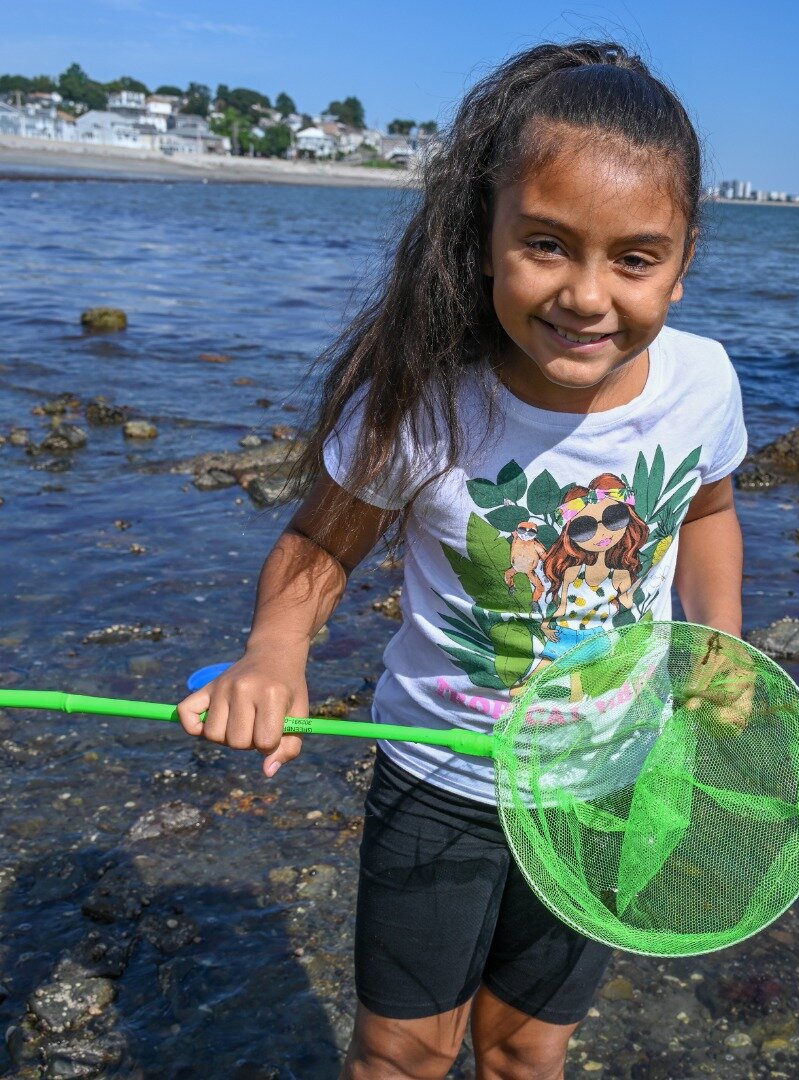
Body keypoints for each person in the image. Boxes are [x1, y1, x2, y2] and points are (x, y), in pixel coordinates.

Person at [178, 40, 746, 1080]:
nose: (585, 295)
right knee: (402, 1051)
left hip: (606, 783)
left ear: (685, 257)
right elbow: (318, 541)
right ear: (484, 235)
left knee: (528, 1048)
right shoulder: (428, 400)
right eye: (546, 244)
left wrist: (720, 646)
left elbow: (707, 510)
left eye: (634, 258)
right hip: (442, 779)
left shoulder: (703, 383)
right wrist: (274, 652)